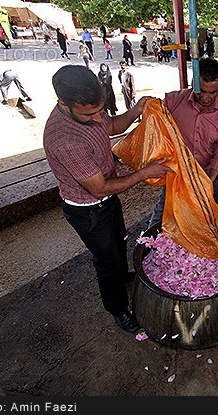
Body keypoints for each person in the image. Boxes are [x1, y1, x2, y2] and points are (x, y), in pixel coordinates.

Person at [43, 65, 171, 333]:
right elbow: (99, 189)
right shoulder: (65, 139)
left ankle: (122, 275)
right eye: (89, 114)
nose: (97, 118)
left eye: (100, 110)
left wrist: (136, 110)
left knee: (119, 243)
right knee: (106, 260)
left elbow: (111, 125)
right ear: (63, 105)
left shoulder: (93, 112)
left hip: (107, 201)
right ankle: (118, 309)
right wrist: (144, 173)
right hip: (88, 210)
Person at [148, 58, 218, 228]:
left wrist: (207, 181)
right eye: (202, 91)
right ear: (193, 83)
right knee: (164, 209)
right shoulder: (173, 101)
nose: (206, 98)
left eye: (213, 92)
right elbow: (153, 122)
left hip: (207, 170)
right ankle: (148, 242)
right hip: (178, 170)